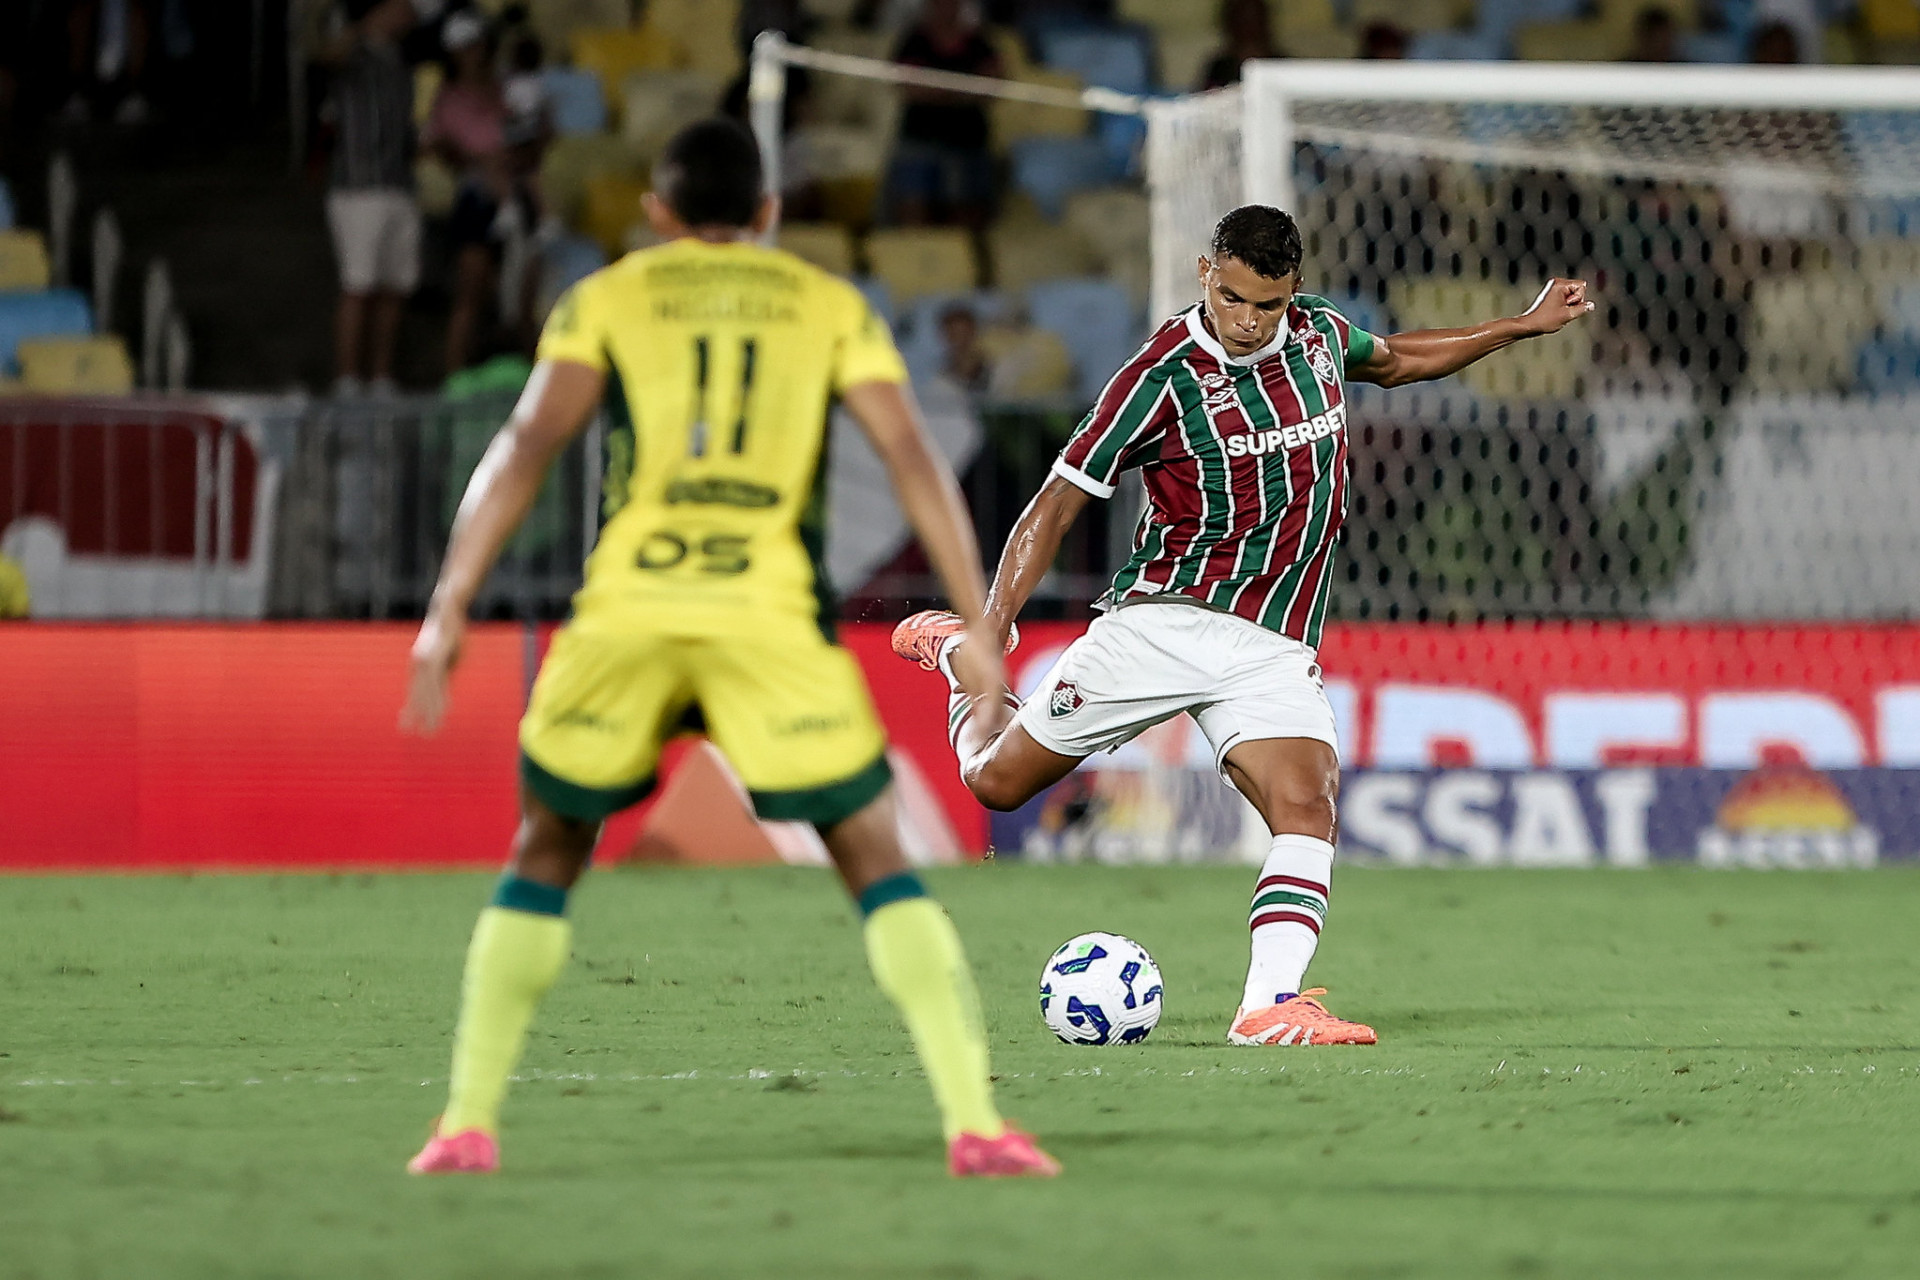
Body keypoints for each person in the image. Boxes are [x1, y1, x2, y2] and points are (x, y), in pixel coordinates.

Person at [399, 117, 1058, 1179]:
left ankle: (465, 1123)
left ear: (656, 214)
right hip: (765, 613)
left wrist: (448, 603)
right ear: (767, 213)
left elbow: (525, 441)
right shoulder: (826, 304)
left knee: (549, 849)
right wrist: (979, 622)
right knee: (873, 858)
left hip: (631, 606)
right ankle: (975, 1121)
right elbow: (910, 456)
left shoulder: (606, 296)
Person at [892, 206, 1593, 1047]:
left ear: (1291, 292)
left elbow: (1400, 358)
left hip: (1271, 643)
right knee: (997, 785)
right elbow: (1062, 496)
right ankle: (957, 668)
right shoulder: (1158, 376)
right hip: (1162, 624)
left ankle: (1266, 1005)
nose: (1248, 320)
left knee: (1308, 801)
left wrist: (1519, 326)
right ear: (1204, 273)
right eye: (1231, 298)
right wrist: (993, 623)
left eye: (1266, 304)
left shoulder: (1319, 334)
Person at [320, 0, 422, 397]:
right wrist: (363, 26)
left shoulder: (402, 59)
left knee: (394, 287)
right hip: (358, 187)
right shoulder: (352, 53)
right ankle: (347, 379)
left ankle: (381, 377)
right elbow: (322, 55)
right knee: (358, 286)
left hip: (400, 184)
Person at [885, 0, 1002, 227]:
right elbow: (909, 87)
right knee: (911, 200)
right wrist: (962, 91)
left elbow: (992, 85)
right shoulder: (914, 41)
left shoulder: (979, 43)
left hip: (968, 142)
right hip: (920, 139)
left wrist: (936, 89)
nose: (944, 7)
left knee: (967, 208)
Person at [1200, 0, 1279, 91]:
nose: (1249, 26)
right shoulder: (1218, 69)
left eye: (1254, 17)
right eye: (1242, 19)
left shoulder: (1283, 65)